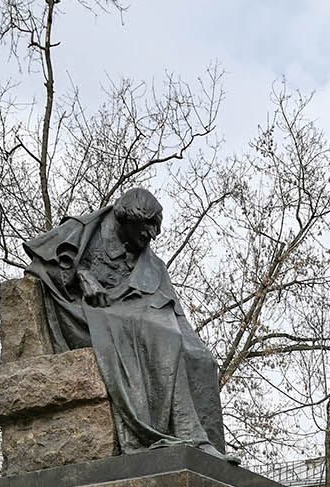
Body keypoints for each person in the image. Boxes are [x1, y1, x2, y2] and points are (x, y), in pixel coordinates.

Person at [23, 187, 229, 458]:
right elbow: (41, 265)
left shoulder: (152, 264)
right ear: (127, 220)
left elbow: (173, 309)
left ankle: (206, 447)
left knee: (201, 359)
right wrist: (82, 275)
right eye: (147, 227)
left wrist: (195, 347)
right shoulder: (82, 231)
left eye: (156, 228)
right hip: (88, 315)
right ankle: (189, 435)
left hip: (136, 319)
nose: (152, 235)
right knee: (164, 337)